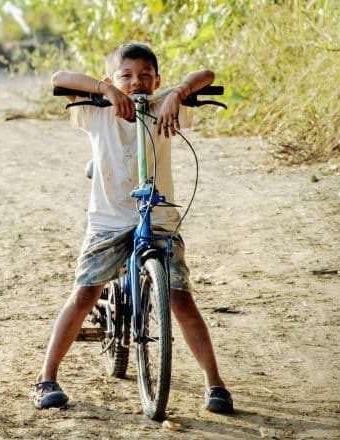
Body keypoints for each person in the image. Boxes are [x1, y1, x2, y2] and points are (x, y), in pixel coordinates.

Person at [32, 42, 234, 415]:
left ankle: (215, 383)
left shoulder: (164, 108)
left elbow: (206, 75)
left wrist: (177, 94)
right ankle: (46, 377)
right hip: (109, 219)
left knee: (181, 297)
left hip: (158, 219)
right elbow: (59, 78)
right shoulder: (98, 112)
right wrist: (105, 91)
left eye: (145, 76)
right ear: (111, 80)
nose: (136, 83)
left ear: (157, 79)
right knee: (84, 294)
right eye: (125, 76)